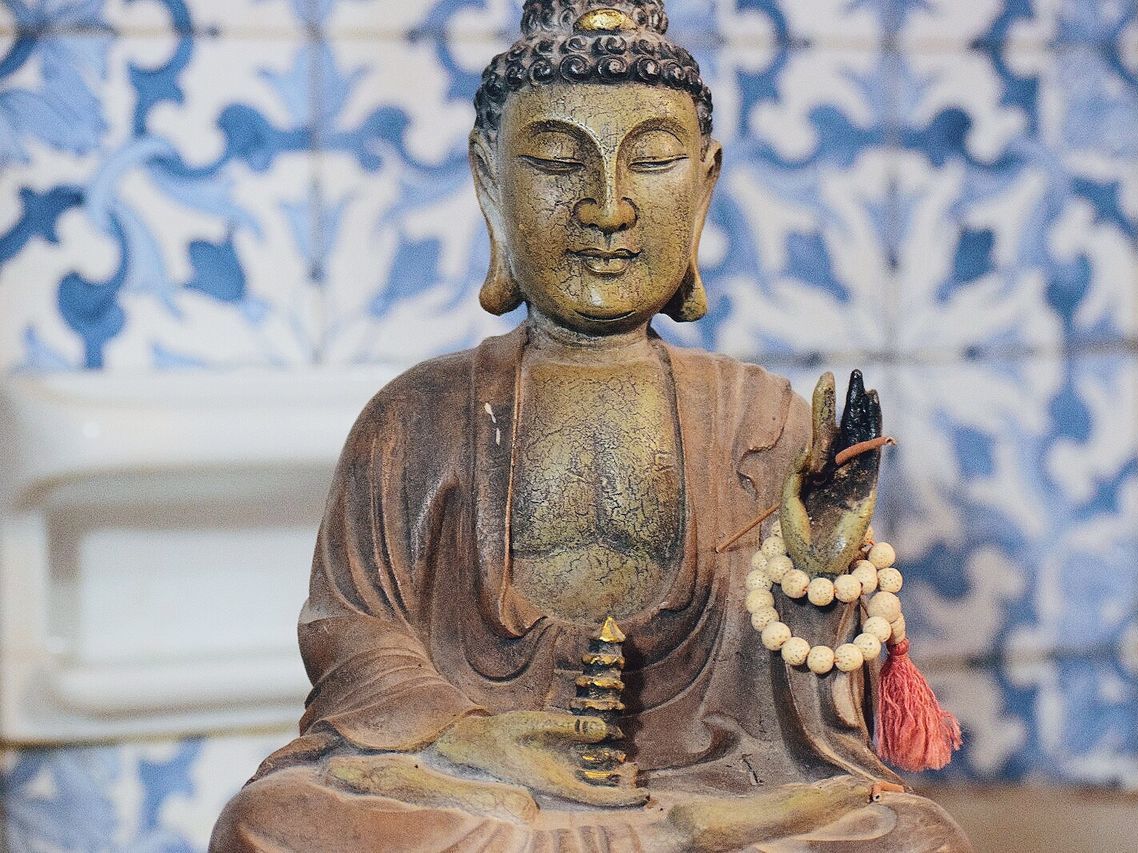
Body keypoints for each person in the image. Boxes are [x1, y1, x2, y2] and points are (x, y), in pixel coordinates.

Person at [210, 2, 971, 849]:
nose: (606, 208)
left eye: (650, 160)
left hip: (712, 795)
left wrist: (819, 570)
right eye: (554, 160)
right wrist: (474, 737)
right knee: (273, 824)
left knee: (908, 837)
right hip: (484, 798)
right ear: (489, 181)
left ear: (705, 184)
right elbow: (354, 637)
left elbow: (811, 729)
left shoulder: (764, 424)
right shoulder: (412, 420)